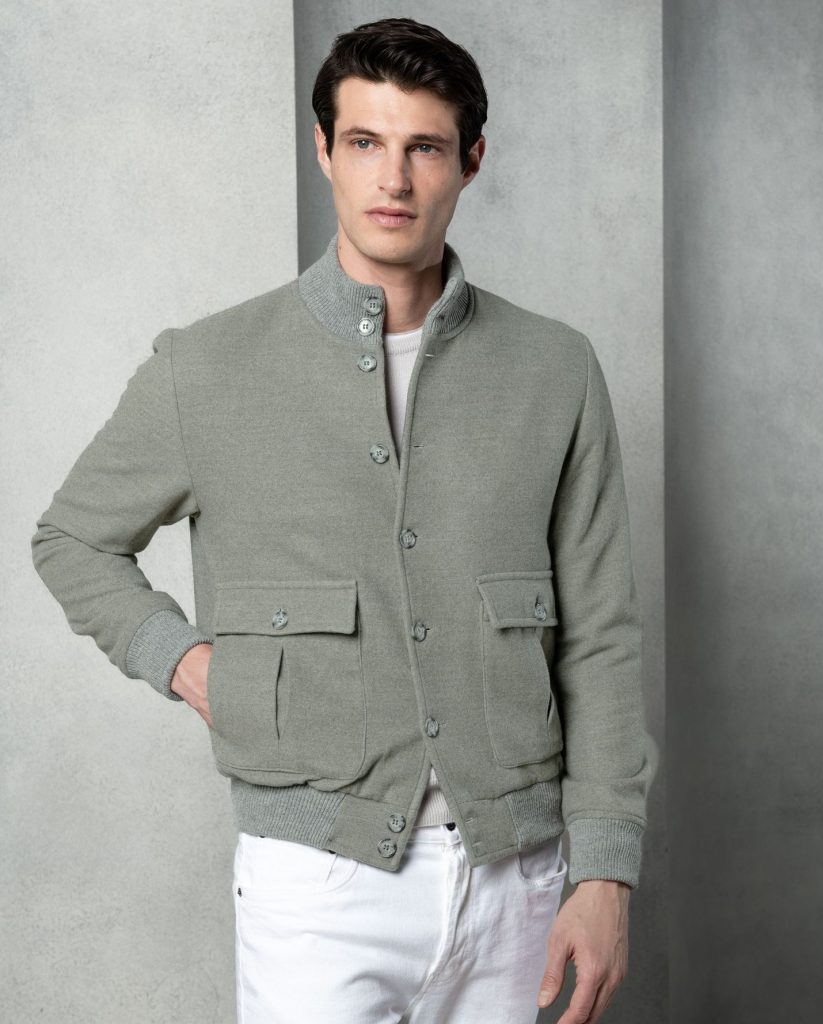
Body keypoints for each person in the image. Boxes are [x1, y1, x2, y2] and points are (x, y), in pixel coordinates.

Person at [31, 16, 657, 1024]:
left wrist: (605, 873)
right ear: (323, 149)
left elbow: (601, 639)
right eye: (365, 141)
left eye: (425, 147)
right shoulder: (209, 366)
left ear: (472, 161)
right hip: (314, 885)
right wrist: (189, 665)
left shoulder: (554, 369)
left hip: (518, 879)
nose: (392, 179)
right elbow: (72, 539)